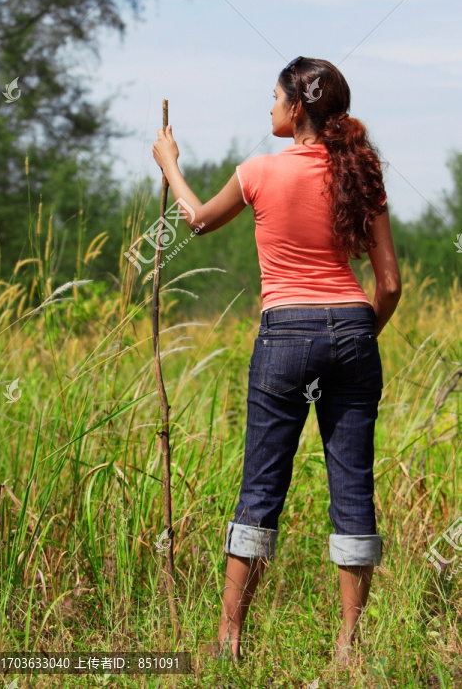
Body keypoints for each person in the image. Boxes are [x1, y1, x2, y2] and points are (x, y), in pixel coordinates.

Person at [151, 56, 402, 667]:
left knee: (261, 486)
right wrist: (352, 334)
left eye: (274, 97)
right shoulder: (361, 178)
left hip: (284, 334)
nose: (268, 108)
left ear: (297, 109)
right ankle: (348, 649)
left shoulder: (259, 171)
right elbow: (390, 284)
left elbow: (198, 221)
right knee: (353, 490)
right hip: (351, 331)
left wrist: (169, 164)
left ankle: (229, 640)